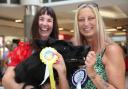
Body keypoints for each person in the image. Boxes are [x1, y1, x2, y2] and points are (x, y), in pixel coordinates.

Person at [2, 6, 69, 89]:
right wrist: (24, 87)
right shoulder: (24, 49)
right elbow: (6, 80)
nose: (45, 23)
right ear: (36, 23)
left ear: (53, 25)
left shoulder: (59, 52)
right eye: (41, 19)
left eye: (49, 20)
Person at [70, 2, 125, 89]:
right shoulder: (76, 48)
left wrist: (93, 74)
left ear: (98, 21)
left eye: (91, 18)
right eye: (81, 19)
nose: (86, 23)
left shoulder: (111, 50)